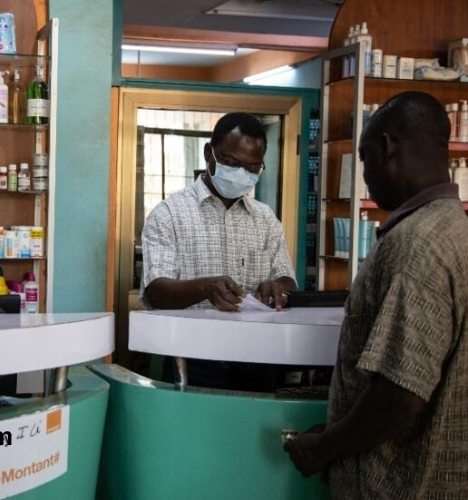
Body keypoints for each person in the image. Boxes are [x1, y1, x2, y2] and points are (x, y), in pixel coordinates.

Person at [285, 91, 468, 497]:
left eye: (364, 159)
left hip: (400, 483)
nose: (363, 175)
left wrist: (325, 447)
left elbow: (401, 391)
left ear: (387, 149)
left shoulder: (416, 245)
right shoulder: (454, 229)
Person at [140, 112, 297, 390]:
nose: (241, 173)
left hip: (260, 358)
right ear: (208, 153)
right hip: (192, 359)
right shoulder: (169, 214)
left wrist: (278, 287)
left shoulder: (265, 218)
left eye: (252, 168)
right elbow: (156, 291)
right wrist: (205, 288)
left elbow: (286, 279)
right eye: (231, 162)